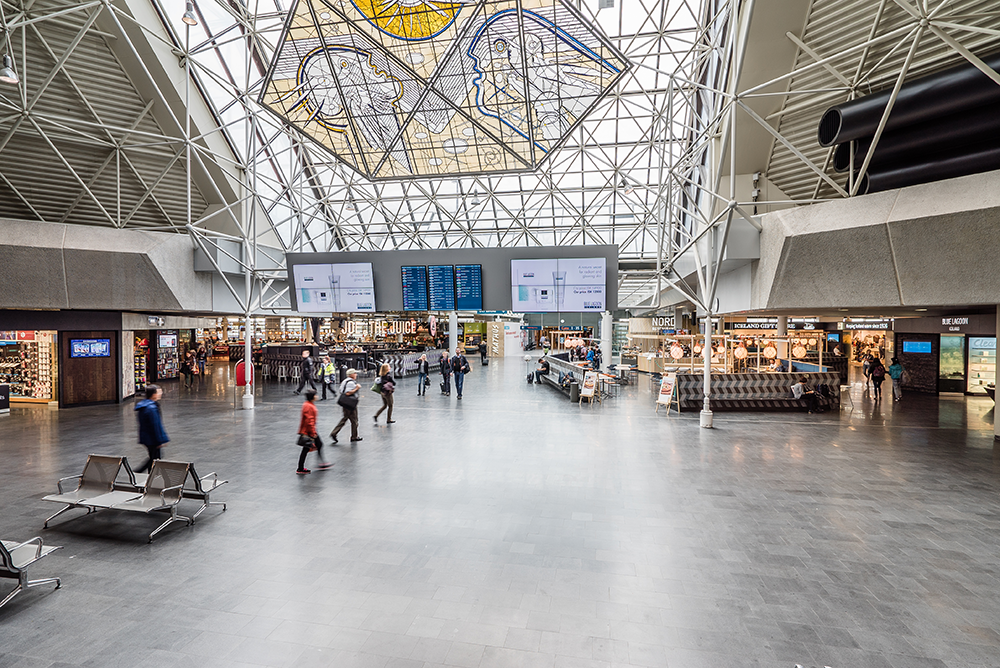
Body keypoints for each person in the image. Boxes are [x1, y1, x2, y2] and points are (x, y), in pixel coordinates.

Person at [296, 389, 331, 475]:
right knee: (311, 447)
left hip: (309, 430)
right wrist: (313, 433)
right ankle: (319, 464)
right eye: (315, 395)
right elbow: (309, 420)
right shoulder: (309, 406)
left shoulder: (308, 404)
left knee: (312, 447)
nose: (317, 396)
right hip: (309, 431)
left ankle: (302, 467)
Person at [134, 385, 168, 473]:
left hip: (147, 437)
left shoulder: (145, 406)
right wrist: (160, 440)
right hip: (152, 438)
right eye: (159, 392)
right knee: (155, 459)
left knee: (153, 458)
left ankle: (146, 473)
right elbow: (155, 425)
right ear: (153, 394)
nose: (161, 393)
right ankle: (142, 473)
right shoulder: (151, 408)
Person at [331, 368, 362, 443]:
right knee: (354, 420)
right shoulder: (351, 383)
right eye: (355, 373)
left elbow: (341, 391)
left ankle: (334, 432)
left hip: (345, 402)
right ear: (351, 374)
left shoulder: (344, 381)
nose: (356, 374)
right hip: (350, 403)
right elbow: (347, 393)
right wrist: (356, 388)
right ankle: (354, 436)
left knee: (345, 418)